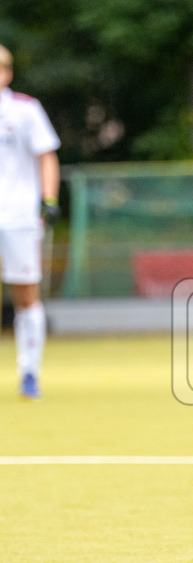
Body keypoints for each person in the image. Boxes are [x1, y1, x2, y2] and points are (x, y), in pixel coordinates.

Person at [0, 43, 60, 400]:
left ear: (6, 73)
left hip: (18, 215)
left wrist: (49, 199)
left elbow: (46, 156)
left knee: (25, 295)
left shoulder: (25, 109)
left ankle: (29, 372)